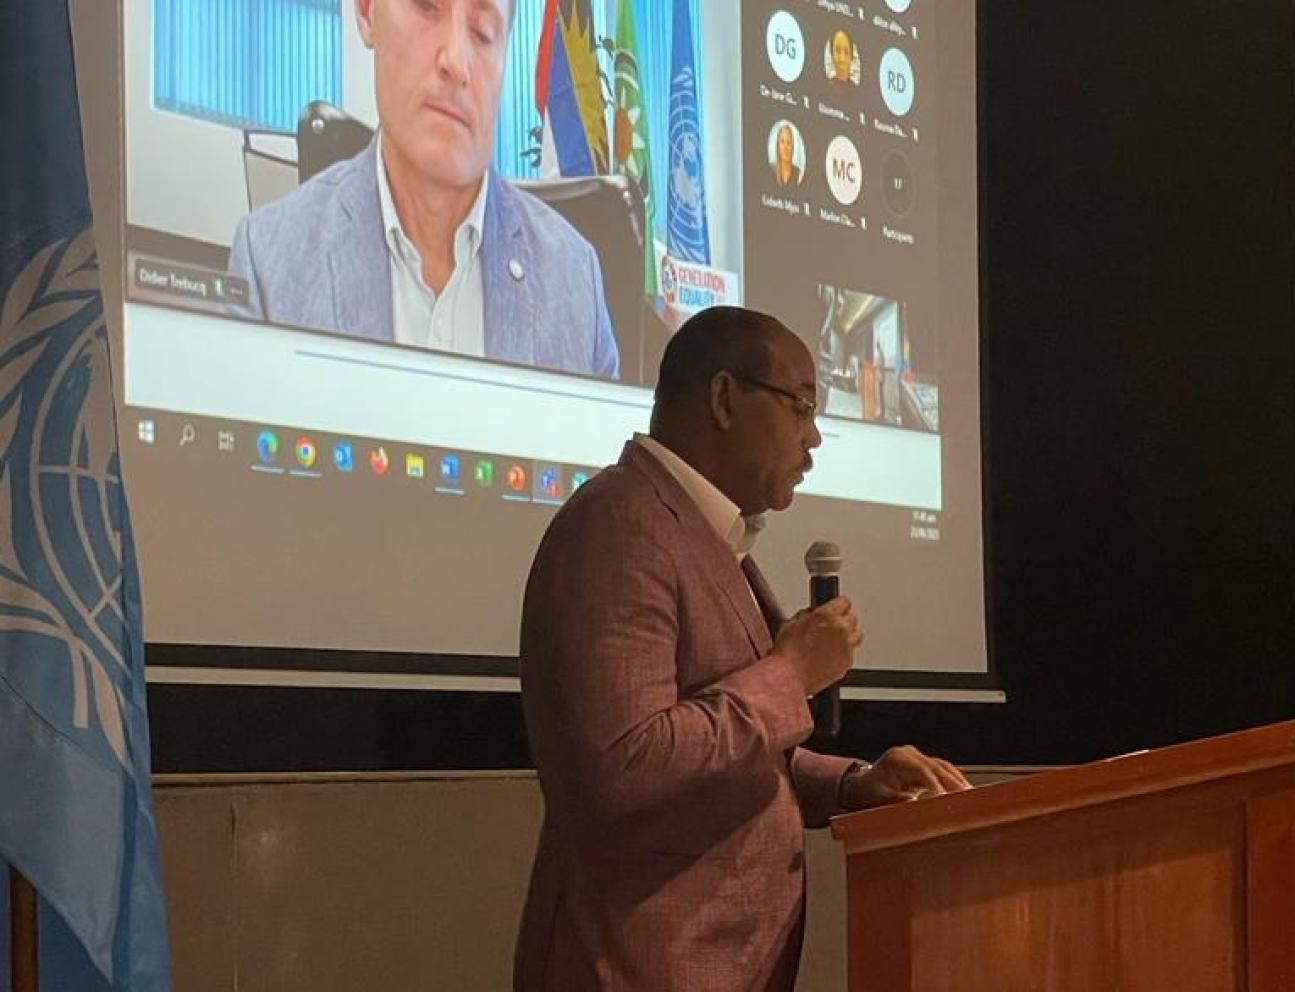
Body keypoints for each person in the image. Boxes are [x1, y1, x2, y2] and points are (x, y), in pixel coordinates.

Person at [514, 306, 969, 990]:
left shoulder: (699, 536)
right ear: (725, 398)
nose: (814, 438)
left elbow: (717, 759)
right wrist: (791, 673)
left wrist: (852, 784)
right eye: (802, 406)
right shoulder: (619, 524)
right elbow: (626, 764)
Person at [226, 0, 620, 379]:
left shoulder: (573, 281)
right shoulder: (269, 262)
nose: (455, 61)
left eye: (482, 33)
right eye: (426, 6)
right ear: (366, 12)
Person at [771, 122, 803, 187]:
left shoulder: (798, 174)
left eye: (788, 143)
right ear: (778, 145)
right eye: (782, 141)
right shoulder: (771, 169)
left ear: (792, 147)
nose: (785, 147)